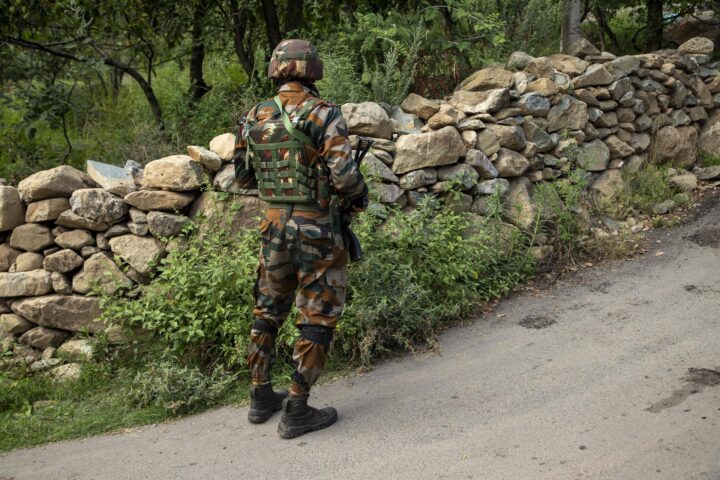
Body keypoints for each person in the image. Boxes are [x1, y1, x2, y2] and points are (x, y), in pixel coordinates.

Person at [234, 39, 368, 439]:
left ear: (276, 69)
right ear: (312, 70)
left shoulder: (253, 115)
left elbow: (243, 177)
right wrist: (357, 199)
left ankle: (260, 395)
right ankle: (296, 408)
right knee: (318, 314)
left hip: (272, 226)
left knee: (267, 309)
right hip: (316, 229)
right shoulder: (324, 113)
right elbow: (345, 177)